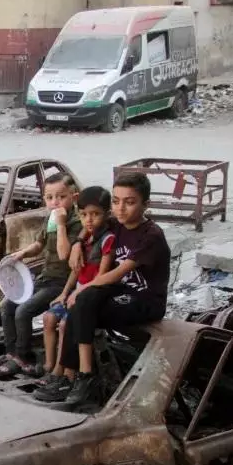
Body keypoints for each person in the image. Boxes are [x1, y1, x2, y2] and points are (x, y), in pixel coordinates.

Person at [53, 173, 171, 409]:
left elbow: (118, 273)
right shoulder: (116, 225)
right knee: (81, 305)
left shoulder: (152, 236)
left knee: (83, 304)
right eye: (116, 201)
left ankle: (83, 377)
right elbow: (90, 228)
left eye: (129, 202)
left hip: (145, 300)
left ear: (145, 204)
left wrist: (82, 288)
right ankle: (67, 377)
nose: (121, 208)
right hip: (120, 291)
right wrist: (77, 243)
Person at [0, 173, 80, 378]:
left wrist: (61, 224)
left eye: (61, 197)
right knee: (6, 306)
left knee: (24, 311)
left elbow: (64, 254)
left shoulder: (76, 222)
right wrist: (23, 253)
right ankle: (11, 352)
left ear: (73, 198)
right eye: (49, 197)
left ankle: (24, 357)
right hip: (45, 278)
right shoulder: (50, 219)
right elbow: (39, 244)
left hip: (62, 283)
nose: (54, 202)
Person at [35, 186, 116, 401]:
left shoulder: (107, 240)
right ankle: (52, 369)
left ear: (106, 214)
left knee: (64, 325)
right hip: (76, 292)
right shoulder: (85, 240)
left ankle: (68, 376)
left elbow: (102, 275)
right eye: (84, 215)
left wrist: (77, 293)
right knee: (49, 317)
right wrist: (64, 292)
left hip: (91, 295)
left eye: (95, 214)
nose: (89, 220)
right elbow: (76, 271)